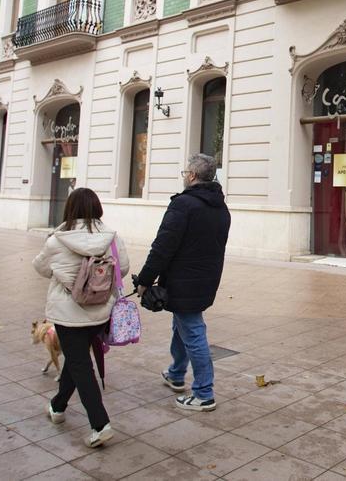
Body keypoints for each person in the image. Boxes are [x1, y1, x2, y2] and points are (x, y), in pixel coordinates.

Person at [33, 187, 130, 447]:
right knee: (77, 360)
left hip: (68, 315)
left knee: (79, 364)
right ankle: (58, 406)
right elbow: (124, 268)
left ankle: (100, 425)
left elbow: (40, 267)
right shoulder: (111, 238)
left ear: (70, 209)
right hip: (99, 312)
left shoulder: (56, 240)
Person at [135, 153, 231, 412]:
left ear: (191, 176)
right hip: (206, 280)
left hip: (184, 280)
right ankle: (176, 374)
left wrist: (144, 280)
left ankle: (204, 393)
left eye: (185, 173)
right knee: (183, 324)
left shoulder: (184, 205)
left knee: (192, 329)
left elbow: (163, 247)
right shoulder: (220, 207)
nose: (184, 177)